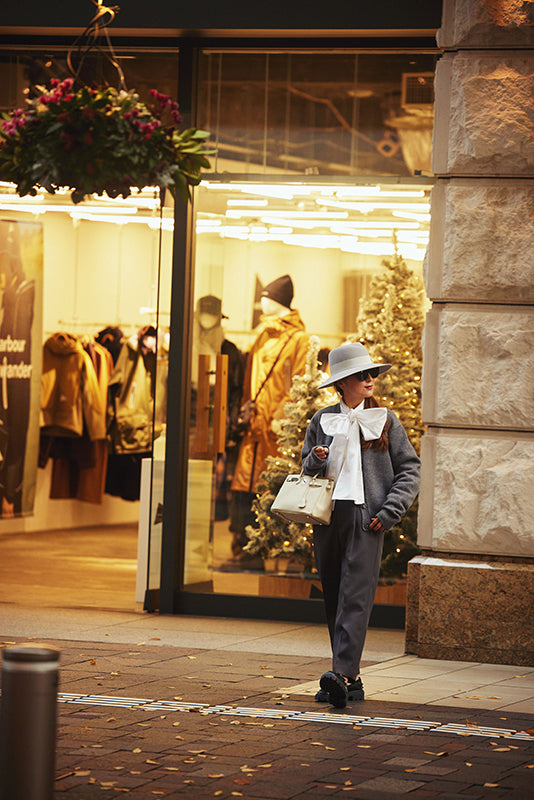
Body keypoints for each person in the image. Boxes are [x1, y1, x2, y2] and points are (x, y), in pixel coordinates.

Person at [301, 342, 420, 708]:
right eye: (361, 375)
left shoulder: (385, 420)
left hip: (367, 519)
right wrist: (318, 458)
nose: (370, 379)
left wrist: (388, 513)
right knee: (335, 594)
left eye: (372, 374)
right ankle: (349, 679)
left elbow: (411, 471)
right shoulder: (322, 420)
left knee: (356, 595)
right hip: (328, 517)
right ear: (342, 383)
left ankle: (341, 673)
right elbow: (306, 469)